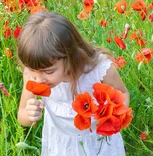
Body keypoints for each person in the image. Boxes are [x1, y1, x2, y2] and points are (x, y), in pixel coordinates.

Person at [15, 11, 129, 156]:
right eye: (32, 70)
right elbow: (22, 116)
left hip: (99, 141)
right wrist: (30, 115)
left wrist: (114, 118)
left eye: (49, 72)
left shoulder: (98, 71)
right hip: (61, 145)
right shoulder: (31, 75)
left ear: (69, 57)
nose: (39, 80)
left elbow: (122, 94)